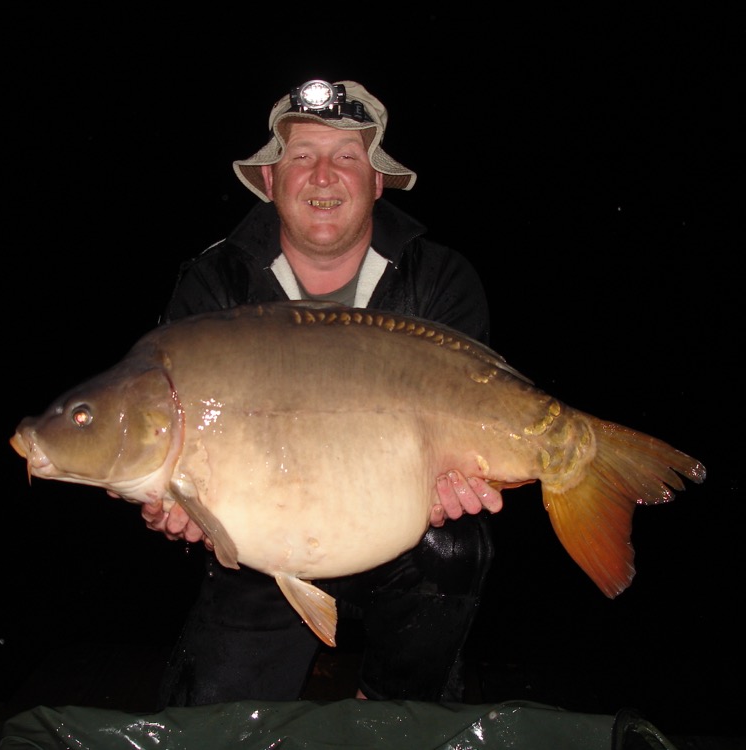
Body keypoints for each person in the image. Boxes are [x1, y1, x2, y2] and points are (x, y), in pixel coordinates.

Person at [141, 79, 503, 707]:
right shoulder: (214, 284)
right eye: (302, 156)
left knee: (454, 547)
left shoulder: (441, 279)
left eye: (347, 157)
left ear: (377, 182)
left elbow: (473, 416)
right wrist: (177, 508)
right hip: (256, 552)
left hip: (400, 535)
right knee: (212, 720)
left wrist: (452, 480)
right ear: (270, 182)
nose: (323, 175)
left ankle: (390, 704)